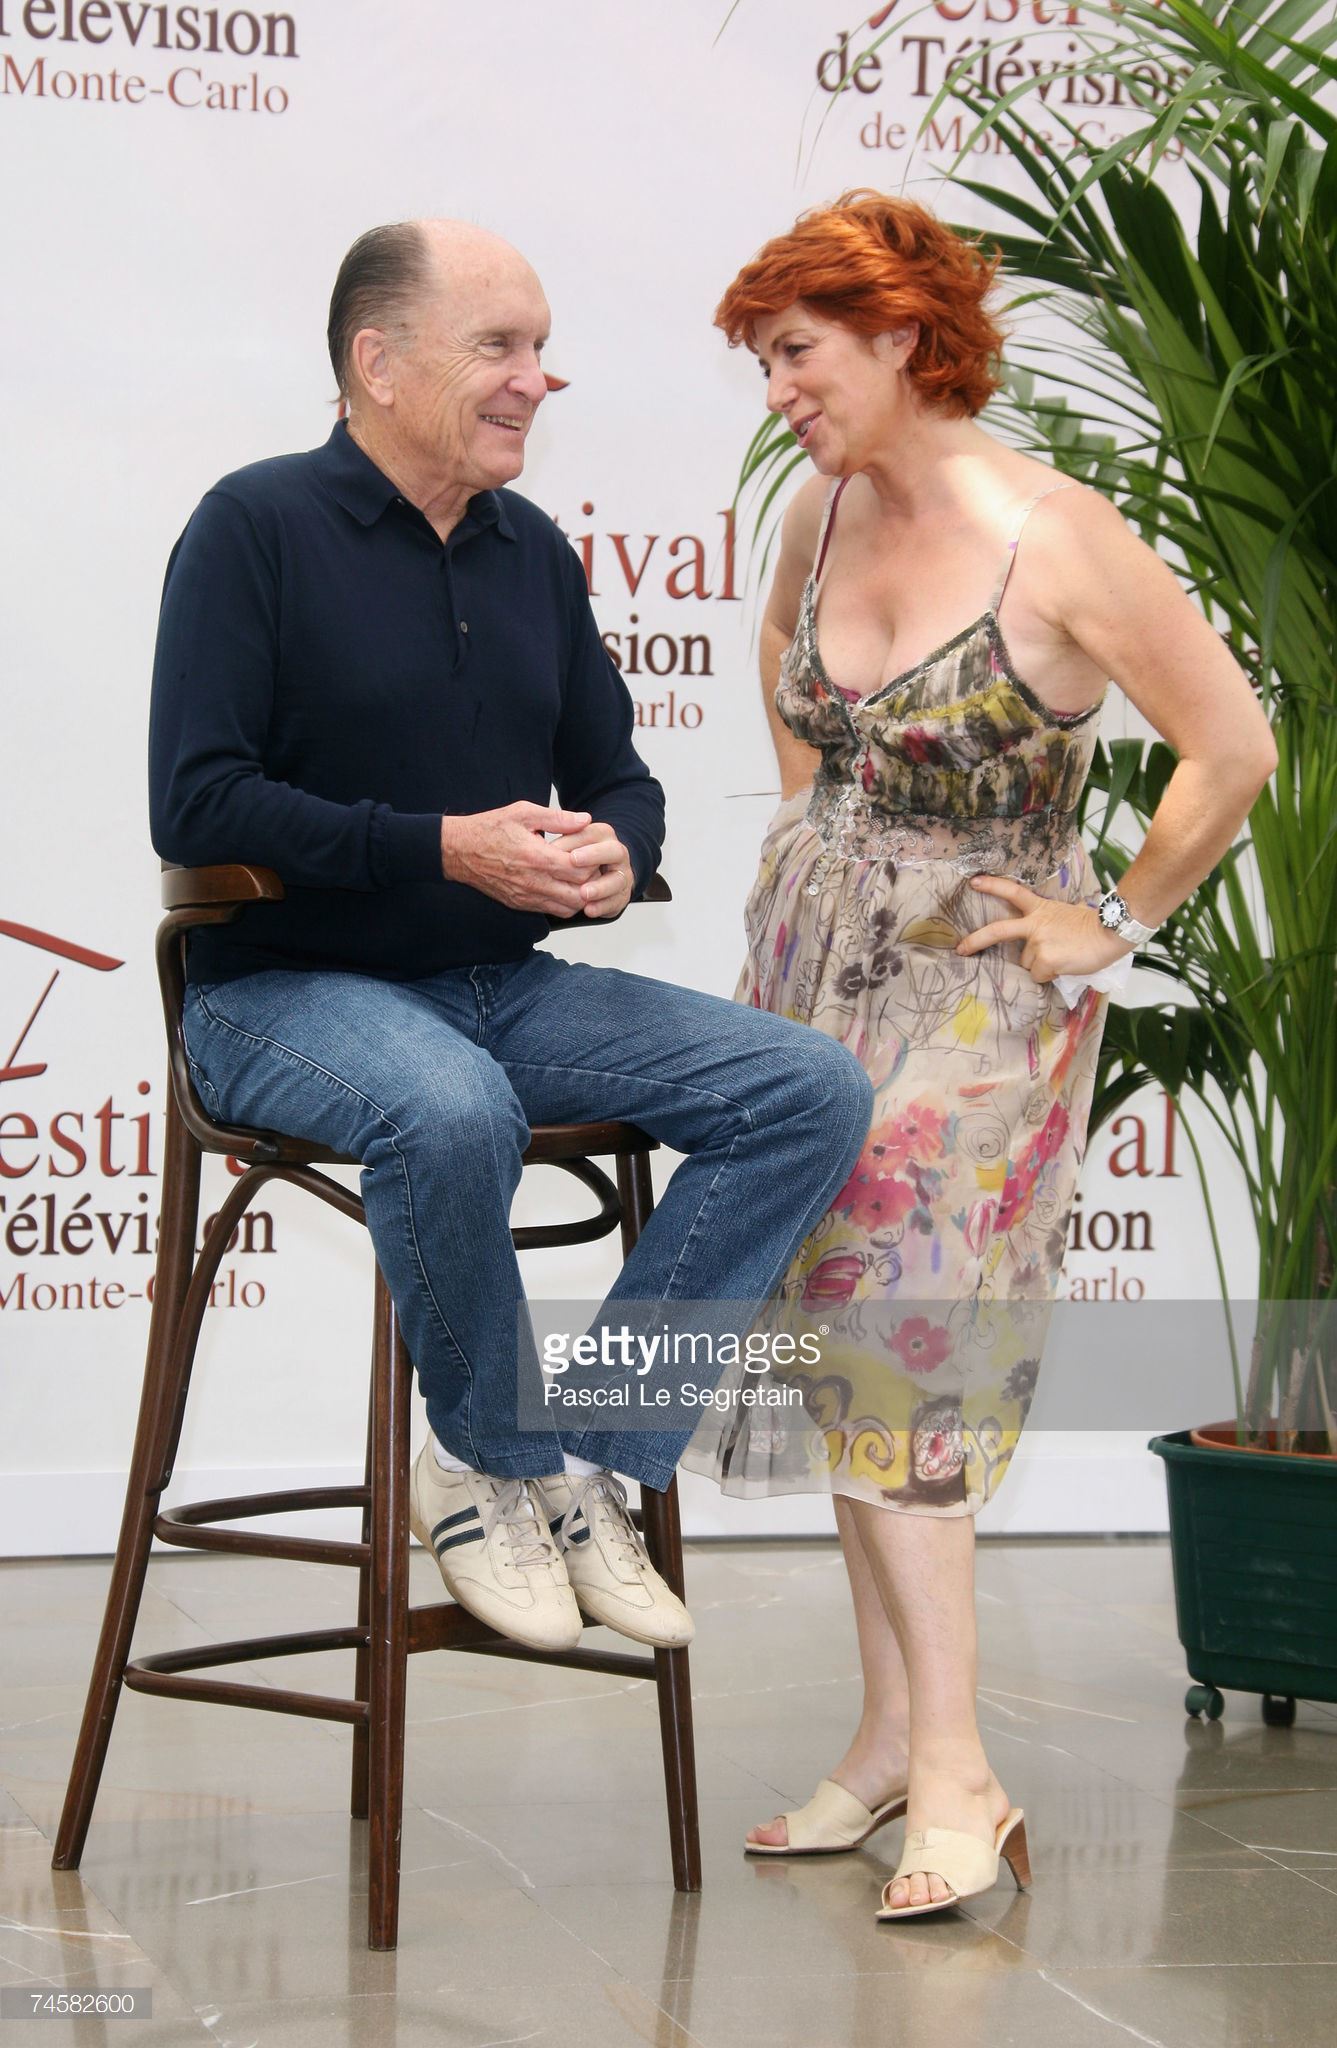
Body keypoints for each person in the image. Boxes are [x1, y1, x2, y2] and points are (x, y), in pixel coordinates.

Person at [148, 217, 873, 1662]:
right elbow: (197, 800)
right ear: (377, 362)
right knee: (450, 1106)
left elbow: (616, 777)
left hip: (496, 986)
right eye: (501, 345)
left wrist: (618, 854)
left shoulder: (529, 552)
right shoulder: (253, 527)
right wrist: (439, 846)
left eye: (540, 348)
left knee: (806, 1087)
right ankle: (487, 1461)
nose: (539, 378)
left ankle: (590, 1457)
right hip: (277, 993)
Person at [682, 191, 1276, 1919]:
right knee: (834, 1339)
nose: (778, 390)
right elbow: (787, 681)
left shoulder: (1057, 541)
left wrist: (1114, 923)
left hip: (972, 1001)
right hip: (805, 974)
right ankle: (887, 1739)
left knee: (904, 1351)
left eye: (796, 352)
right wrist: (812, 837)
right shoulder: (818, 505)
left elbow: (1230, 746)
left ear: (898, 334)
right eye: (761, 361)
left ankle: (957, 1770)